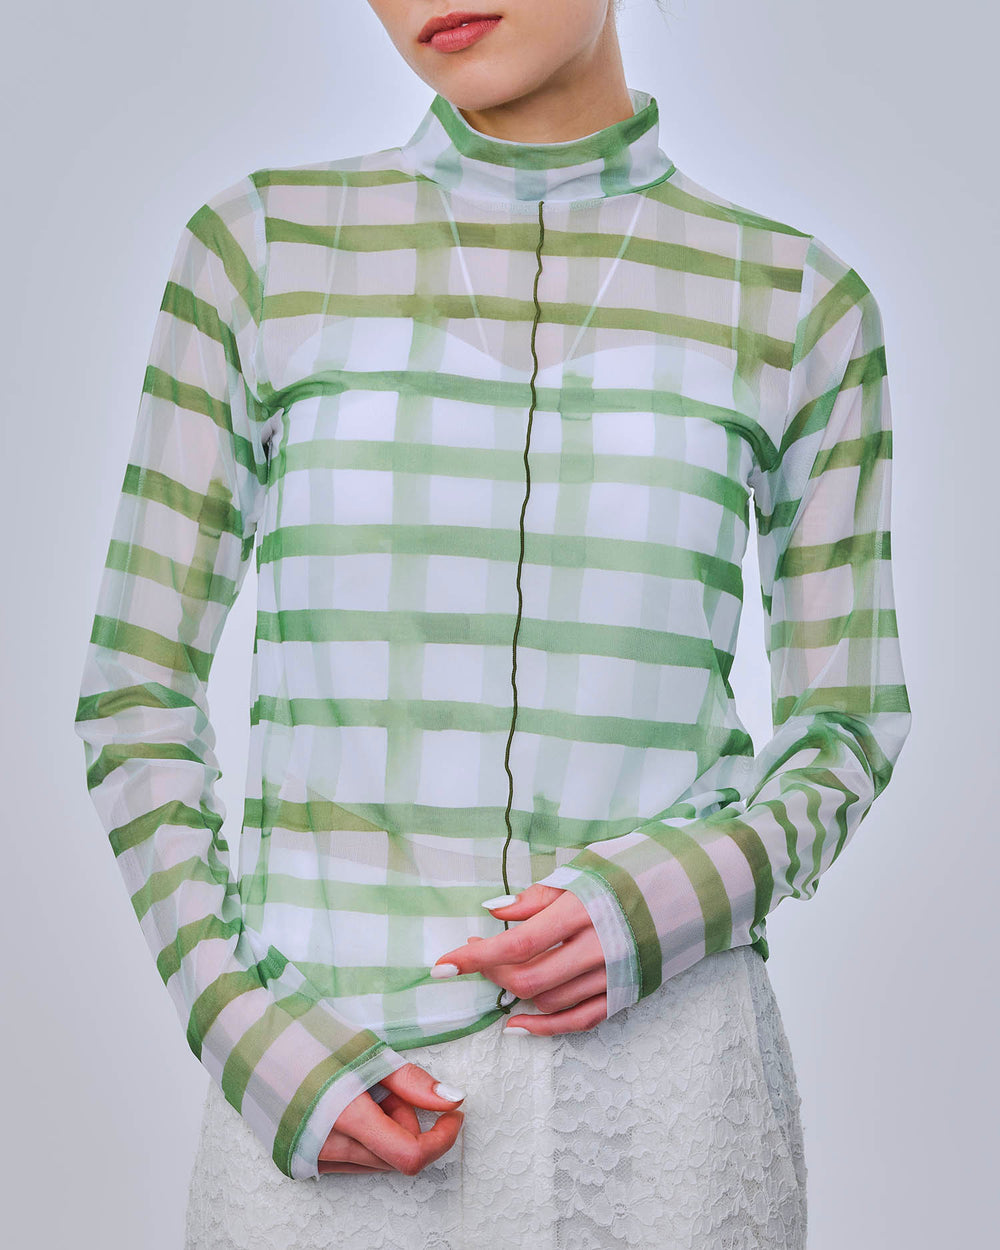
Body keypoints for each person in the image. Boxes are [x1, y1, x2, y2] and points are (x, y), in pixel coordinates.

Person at [73, 2, 912, 1247]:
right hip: (330, 1081)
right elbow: (134, 691)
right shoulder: (257, 251)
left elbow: (847, 723)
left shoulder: (798, 300)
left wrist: (675, 895)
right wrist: (244, 1027)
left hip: (666, 1103)